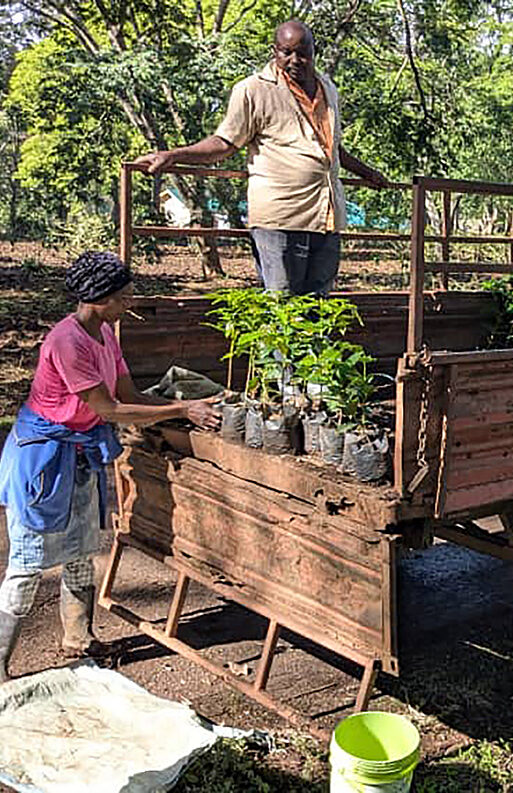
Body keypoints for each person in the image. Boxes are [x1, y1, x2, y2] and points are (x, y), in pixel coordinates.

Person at [0, 251, 221, 683]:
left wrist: (188, 406)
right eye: (123, 296)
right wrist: (181, 409)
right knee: (28, 564)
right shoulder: (67, 341)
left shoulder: (105, 335)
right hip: (43, 459)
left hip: (79, 454)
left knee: (82, 552)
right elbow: (111, 408)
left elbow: (130, 394)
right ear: (99, 298)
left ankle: (78, 638)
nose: (129, 302)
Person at [136, 19, 389, 295]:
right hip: (281, 215)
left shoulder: (327, 88)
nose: (295, 60)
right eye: (286, 52)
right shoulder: (253, 90)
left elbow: (329, 147)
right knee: (282, 303)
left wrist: (367, 173)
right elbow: (225, 142)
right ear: (274, 51)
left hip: (325, 213)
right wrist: (173, 156)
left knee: (320, 305)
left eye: (302, 52)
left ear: (314, 51)